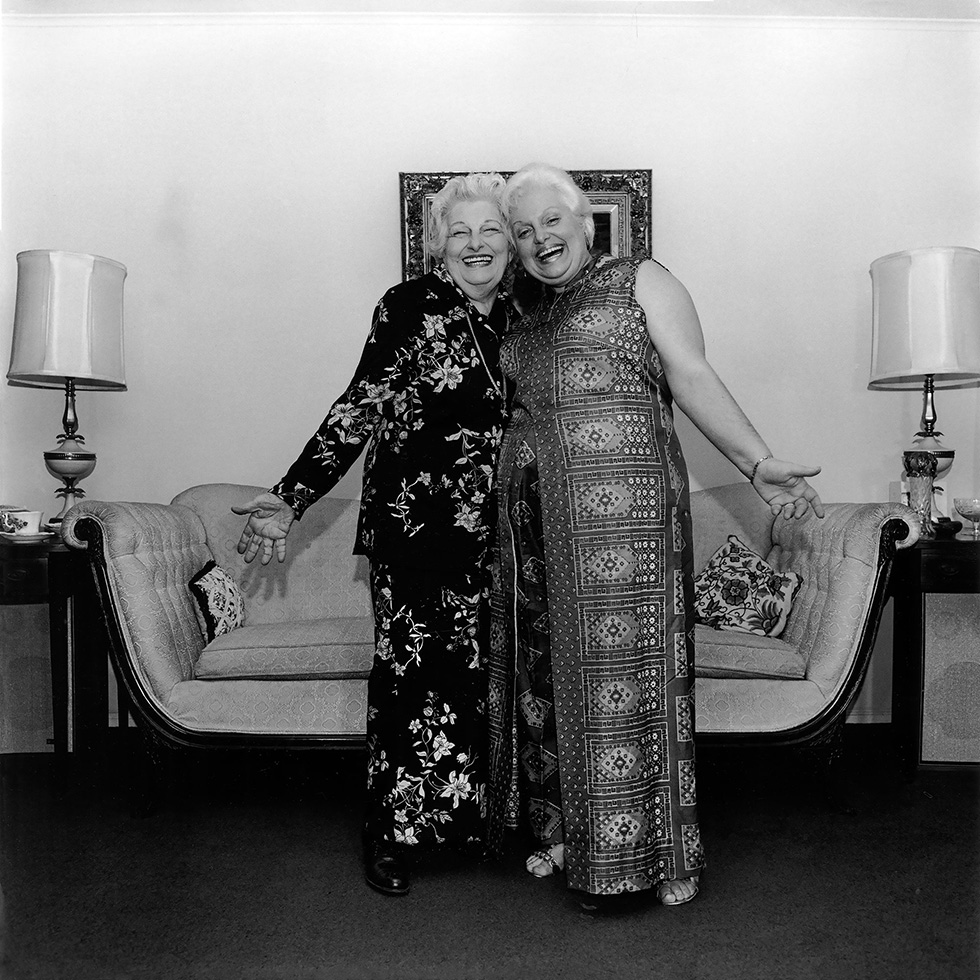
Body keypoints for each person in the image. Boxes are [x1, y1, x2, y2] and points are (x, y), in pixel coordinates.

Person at [486, 163, 824, 908]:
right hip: (540, 524)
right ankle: (567, 833)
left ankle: (661, 853)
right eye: (524, 230)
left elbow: (693, 374)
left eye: (552, 222)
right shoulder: (525, 311)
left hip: (626, 521)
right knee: (553, 678)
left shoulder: (642, 279)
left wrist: (758, 461)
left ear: (585, 223)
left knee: (632, 675)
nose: (541, 239)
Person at [234, 173, 514, 898]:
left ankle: (469, 822)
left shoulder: (526, 319)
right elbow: (359, 407)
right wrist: (289, 498)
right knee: (408, 681)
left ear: (512, 241)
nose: (476, 244)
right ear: (437, 246)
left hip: (501, 537)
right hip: (416, 531)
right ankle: (386, 833)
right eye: (460, 233)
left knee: (484, 681)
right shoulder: (410, 307)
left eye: (490, 230)